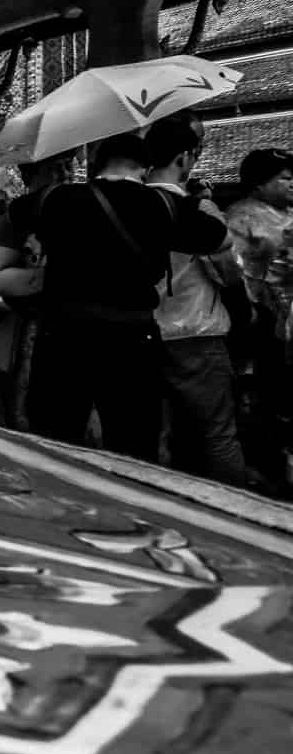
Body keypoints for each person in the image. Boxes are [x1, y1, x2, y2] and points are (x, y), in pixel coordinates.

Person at [27, 132, 228, 462]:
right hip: (130, 335)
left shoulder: (57, 198)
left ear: (95, 165)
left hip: (64, 333)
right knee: (134, 442)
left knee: (52, 440)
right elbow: (219, 241)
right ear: (146, 169)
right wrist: (195, 204)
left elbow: (11, 218)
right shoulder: (163, 204)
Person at [143, 117, 247, 486]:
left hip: (143, 333)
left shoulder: (132, 206)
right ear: (185, 158)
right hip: (197, 333)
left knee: (153, 436)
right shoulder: (197, 212)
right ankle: (234, 514)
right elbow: (228, 273)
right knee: (218, 434)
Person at [0, 151, 75, 432]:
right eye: (55, 168)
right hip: (31, 328)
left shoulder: (78, 210)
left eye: (68, 166)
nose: (65, 175)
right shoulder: (16, 218)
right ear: (29, 175)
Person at [224, 147, 293, 489]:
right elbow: (235, 275)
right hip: (263, 320)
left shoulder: (289, 214)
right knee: (268, 396)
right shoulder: (242, 218)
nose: (291, 183)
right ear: (257, 185)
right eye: (283, 178)